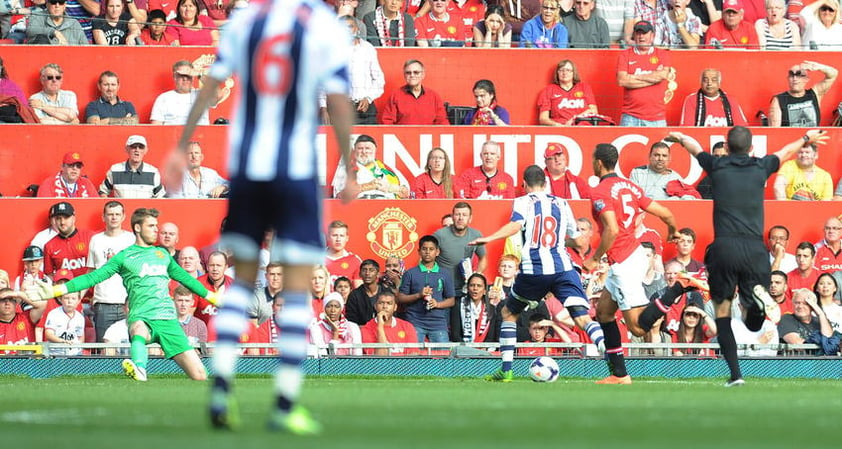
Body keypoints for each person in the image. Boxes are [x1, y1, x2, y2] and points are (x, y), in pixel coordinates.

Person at [168, 0, 356, 432]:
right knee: (295, 285)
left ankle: (220, 391)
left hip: (248, 164)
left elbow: (212, 85)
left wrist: (182, 144)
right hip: (296, 166)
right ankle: (285, 403)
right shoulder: (322, 23)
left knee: (242, 277)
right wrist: (349, 163)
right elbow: (340, 99)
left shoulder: (245, 20)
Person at [667, 126, 828, 386]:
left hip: (725, 249)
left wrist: (679, 137)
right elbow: (786, 151)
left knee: (722, 314)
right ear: (751, 147)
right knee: (754, 323)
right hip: (754, 250)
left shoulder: (717, 165)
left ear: (727, 148)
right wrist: (807, 137)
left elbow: (694, 147)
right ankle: (757, 302)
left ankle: (735, 375)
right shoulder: (760, 166)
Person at [36, 208, 221, 380]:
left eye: (157, 225)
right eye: (151, 226)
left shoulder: (162, 254)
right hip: (142, 316)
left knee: (200, 376)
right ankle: (139, 368)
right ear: (138, 227)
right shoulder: (124, 257)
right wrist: (57, 290)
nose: (156, 230)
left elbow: (186, 279)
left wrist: (213, 297)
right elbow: (93, 277)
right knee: (137, 329)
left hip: (168, 321)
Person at [470, 165, 605, 382]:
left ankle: (506, 370)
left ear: (524, 184)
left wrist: (490, 237)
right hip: (562, 268)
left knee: (508, 314)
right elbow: (576, 238)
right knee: (582, 317)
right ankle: (609, 354)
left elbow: (515, 225)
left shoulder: (523, 201)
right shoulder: (562, 202)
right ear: (546, 183)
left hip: (534, 270)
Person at [585, 143, 684, 384]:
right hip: (635, 252)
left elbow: (612, 229)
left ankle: (679, 287)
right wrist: (672, 229)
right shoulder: (630, 186)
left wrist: (595, 258)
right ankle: (619, 374)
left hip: (623, 262)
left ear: (598, 163)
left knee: (638, 329)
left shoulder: (601, 191)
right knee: (604, 313)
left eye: (592, 160)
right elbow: (665, 213)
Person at [320, 15, 384, 125]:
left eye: (350, 27)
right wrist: (323, 108)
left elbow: (379, 79)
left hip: (364, 109)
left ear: (357, 29)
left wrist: (368, 98)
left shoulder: (368, 48)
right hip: (338, 108)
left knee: (368, 142)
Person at [87, 201, 135, 343]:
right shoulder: (96, 240)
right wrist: (78, 295)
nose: (114, 217)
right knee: (105, 350)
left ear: (123, 217)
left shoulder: (132, 239)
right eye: (110, 214)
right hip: (103, 303)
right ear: (103, 217)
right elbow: (91, 272)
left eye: (117, 214)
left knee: (133, 348)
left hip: (128, 303)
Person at [397, 235, 455, 343]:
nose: (427, 252)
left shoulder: (445, 274)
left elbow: (451, 300)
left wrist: (437, 304)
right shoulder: (410, 273)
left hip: (438, 323)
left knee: (443, 357)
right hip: (414, 321)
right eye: (424, 249)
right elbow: (400, 298)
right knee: (414, 357)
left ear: (437, 252)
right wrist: (418, 295)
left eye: (431, 249)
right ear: (419, 251)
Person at [617, 20, 672, 127]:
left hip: (657, 117)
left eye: (644, 33)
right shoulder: (625, 55)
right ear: (634, 35)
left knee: (659, 144)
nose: (641, 36)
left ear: (652, 35)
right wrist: (653, 77)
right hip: (630, 116)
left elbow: (662, 76)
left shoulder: (662, 54)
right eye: (638, 33)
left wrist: (633, 77)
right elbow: (622, 81)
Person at [433, 201, 488, 304]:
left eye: (464, 215)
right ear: (452, 217)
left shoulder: (476, 234)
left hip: (464, 290)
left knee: (460, 319)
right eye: (457, 214)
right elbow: (426, 258)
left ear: (470, 218)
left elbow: (483, 258)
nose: (460, 218)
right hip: (441, 290)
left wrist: (475, 277)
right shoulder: (439, 235)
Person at [332, 134, 409, 199]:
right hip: (359, 208)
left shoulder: (389, 169)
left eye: (368, 148)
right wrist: (368, 186)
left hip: (387, 211)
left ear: (375, 150)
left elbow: (406, 194)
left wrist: (389, 187)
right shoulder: (345, 170)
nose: (364, 152)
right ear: (355, 150)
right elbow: (339, 196)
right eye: (360, 148)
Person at [768, 61, 838, 127]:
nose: (795, 78)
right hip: (793, 139)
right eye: (791, 75)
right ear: (788, 78)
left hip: (814, 138)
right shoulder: (779, 100)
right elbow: (775, 131)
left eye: (799, 75)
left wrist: (819, 67)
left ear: (806, 79)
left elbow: (833, 74)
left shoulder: (815, 94)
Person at [379, 59, 448, 125]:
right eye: (408, 73)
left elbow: (442, 122)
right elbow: (387, 123)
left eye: (416, 72)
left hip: (427, 137)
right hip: (402, 136)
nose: (412, 75)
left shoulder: (433, 96)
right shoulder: (395, 96)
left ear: (423, 75)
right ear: (404, 75)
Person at [99, 135, 166, 198]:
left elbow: (161, 196)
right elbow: (102, 191)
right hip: (122, 210)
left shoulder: (153, 172)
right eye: (133, 146)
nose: (137, 150)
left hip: (144, 210)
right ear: (127, 149)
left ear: (145, 150)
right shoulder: (115, 170)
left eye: (141, 147)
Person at [151, 61, 215, 125]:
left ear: (193, 77)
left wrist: (199, 75)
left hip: (201, 134)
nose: (185, 78)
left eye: (188, 75)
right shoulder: (164, 98)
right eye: (181, 76)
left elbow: (218, 94)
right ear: (175, 77)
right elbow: (156, 127)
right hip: (173, 134)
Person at [43, 201, 96, 279]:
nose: (62, 222)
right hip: (66, 290)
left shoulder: (91, 237)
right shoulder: (49, 246)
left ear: (74, 218)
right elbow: (49, 274)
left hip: (91, 289)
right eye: (58, 218)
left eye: (66, 217)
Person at [537, 59, 598, 126]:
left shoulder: (584, 87)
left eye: (568, 70)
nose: (564, 73)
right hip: (559, 128)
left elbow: (593, 111)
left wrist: (574, 119)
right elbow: (543, 119)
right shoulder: (548, 90)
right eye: (561, 70)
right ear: (557, 73)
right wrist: (557, 125)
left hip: (582, 127)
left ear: (573, 73)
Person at [679, 68, 748, 127]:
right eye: (706, 80)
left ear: (719, 83)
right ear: (701, 82)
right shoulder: (691, 99)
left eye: (714, 80)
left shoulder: (731, 100)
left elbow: (741, 128)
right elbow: (687, 129)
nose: (709, 83)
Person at [629, 142, 698, 200]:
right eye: (657, 155)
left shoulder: (675, 177)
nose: (660, 158)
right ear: (650, 156)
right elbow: (633, 198)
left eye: (664, 156)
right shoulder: (638, 172)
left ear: (669, 158)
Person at [778, 288, 837, 355]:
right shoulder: (786, 319)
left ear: (813, 306)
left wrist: (820, 313)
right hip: (797, 363)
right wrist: (823, 343)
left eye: (805, 303)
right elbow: (798, 345)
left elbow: (829, 339)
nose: (800, 306)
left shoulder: (821, 321)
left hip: (820, 363)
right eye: (797, 303)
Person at [360, 290, 419, 355]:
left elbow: (413, 355)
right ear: (375, 306)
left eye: (389, 303)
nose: (385, 307)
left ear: (395, 307)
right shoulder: (367, 329)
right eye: (381, 303)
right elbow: (380, 357)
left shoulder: (407, 326)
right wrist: (380, 327)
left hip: (404, 365)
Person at [450, 273, 501, 343]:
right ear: (467, 288)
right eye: (472, 285)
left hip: (485, 350)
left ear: (485, 291)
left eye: (479, 286)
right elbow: (455, 334)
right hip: (463, 349)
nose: (475, 288)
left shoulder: (491, 308)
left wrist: (484, 347)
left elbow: (491, 336)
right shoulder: (458, 305)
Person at [0, 288, 46, 353]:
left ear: (16, 303)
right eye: (3, 300)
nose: (7, 303)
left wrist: (18, 294)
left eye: (11, 299)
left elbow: (43, 304)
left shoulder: (26, 318)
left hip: (28, 362)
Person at [345, 259, 390, 325]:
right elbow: (352, 322)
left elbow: (392, 316)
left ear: (378, 274)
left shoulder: (386, 292)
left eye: (371, 270)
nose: (367, 273)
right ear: (360, 274)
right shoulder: (354, 295)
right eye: (364, 270)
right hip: (362, 332)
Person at [194, 251, 233, 325]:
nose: (215, 268)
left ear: (225, 267)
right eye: (212, 265)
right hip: (202, 332)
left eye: (218, 265)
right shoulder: (197, 284)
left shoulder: (233, 286)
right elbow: (189, 314)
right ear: (207, 267)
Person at [43, 289, 85, 356]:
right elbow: (48, 334)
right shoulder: (53, 314)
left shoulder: (80, 317)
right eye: (66, 298)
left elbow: (80, 337)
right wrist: (63, 341)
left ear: (79, 300)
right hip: (56, 354)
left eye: (73, 298)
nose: (69, 301)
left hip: (74, 354)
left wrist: (78, 349)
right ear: (60, 299)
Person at [325, 220, 363, 287]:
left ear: (347, 238)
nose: (338, 239)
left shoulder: (355, 261)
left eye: (341, 236)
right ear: (328, 237)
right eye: (334, 235)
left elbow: (359, 292)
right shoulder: (316, 258)